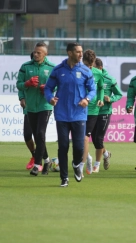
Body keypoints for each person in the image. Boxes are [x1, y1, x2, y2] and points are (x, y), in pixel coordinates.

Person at [44, 42, 96, 187]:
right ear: (69, 53)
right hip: (61, 113)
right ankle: (64, 178)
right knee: (63, 146)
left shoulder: (86, 71)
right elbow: (48, 88)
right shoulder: (58, 70)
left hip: (79, 114)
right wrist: (50, 98)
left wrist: (87, 99)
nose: (81, 54)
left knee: (79, 147)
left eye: (81, 51)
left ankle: (76, 165)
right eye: (78, 52)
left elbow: (92, 90)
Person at [16, 42, 55, 176]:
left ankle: (37, 165)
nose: (36, 54)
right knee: (34, 135)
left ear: (45, 54)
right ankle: (48, 161)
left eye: (39, 52)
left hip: (45, 105)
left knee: (40, 133)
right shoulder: (25, 67)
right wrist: (27, 83)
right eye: (35, 52)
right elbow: (19, 84)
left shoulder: (52, 68)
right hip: (30, 106)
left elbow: (57, 86)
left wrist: (48, 88)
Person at [88, 58, 123, 173]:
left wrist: (110, 99)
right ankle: (106, 154)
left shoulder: (109, 79)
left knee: (98, 138)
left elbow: (119, 94)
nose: (91, 69)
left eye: (93, 67)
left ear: (100, 68)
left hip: (104, 112)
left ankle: (96, 165)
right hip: (92, 111)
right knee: (94, 139)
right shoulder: (88, 77)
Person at [77, 50, 104, 177]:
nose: (90, 68)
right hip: (79, 109)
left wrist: (100, 98)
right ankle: (87, 157)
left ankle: (81, 167)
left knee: (85, 138)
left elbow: (101, 88)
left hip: (93, 110)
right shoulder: (79, 72)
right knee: (79, 138)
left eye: (91, 65)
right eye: (87, 65)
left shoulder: (98, 73)